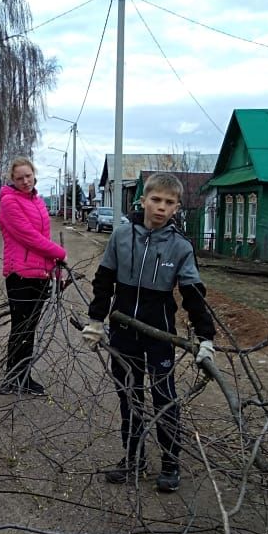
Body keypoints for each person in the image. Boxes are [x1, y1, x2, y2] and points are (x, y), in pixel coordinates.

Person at [82, 172, 215, 492]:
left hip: (159, 333)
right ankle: (134, 459)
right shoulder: (121, 236)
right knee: (129, 395)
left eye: (169, 203)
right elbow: (104, 280)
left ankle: (170, 464)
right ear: (143, 200)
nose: (161, 207)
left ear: (177, 207)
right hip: (123, 329)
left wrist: (205, 337)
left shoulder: (181, 246)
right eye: (156, 200)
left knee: (164, 397)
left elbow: (193, 294)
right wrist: (97, 321)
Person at [0, 157, 67, 396]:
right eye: (19, 178)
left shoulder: (37, 201)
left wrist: (55, 268)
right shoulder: (9, 202)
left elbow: (44, 238)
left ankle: (19, 376)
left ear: (34, 174)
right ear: (12, 180)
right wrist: (60, 253)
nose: (25, 181)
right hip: (21, 275)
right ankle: (14, 377)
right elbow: (29, 237)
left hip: (40, 274)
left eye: (28, 176)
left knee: (29, 329)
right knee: (22, 328)